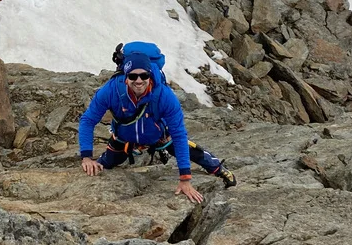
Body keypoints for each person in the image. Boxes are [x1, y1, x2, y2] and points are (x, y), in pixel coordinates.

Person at [78, 46, 236, 204]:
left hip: (158, 134)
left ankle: (216, 167)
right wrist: (87, 157)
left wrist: (185, 179)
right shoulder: (111, 91)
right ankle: (104, 159)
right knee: (108, 162)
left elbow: (179, 135)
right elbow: (88, 120)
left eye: (143, 75)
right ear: (126, 77)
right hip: (124, 137)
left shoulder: (164, 96)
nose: (138, 81)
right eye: (133, 76)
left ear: (150, 75)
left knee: (188, 150)